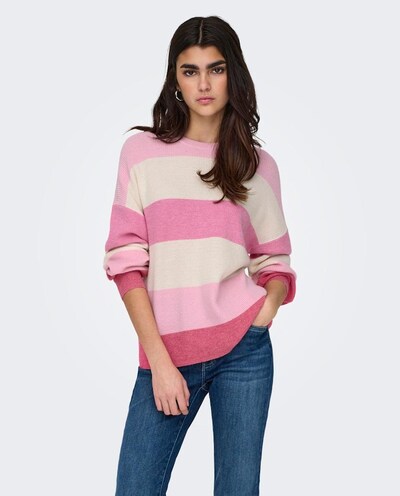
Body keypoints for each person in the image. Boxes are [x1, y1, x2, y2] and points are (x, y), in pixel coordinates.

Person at [103, 15, 297, 496]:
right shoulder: (142, 154)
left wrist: (266, 309)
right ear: (175, 78)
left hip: (245, 350)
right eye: (190, 71)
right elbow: (126, 262)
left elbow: (274, 260)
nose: (204, 84)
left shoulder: (257, 165)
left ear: (234, 74)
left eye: (216, 69)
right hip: (167, 353)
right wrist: (159, 361)